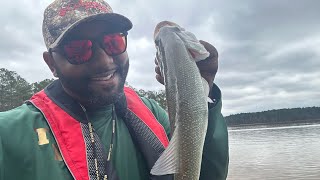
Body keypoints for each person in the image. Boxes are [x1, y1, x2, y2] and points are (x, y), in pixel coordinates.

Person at [0, 0, 229, 179]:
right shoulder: (8, 134)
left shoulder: (152, 113)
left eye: (113, 42)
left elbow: (204, 173)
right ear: (52, 63)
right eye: (78, 49)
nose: (104, 61)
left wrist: (202, 92)